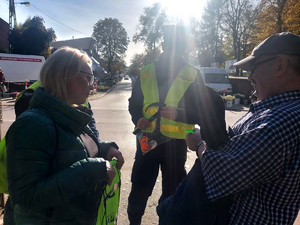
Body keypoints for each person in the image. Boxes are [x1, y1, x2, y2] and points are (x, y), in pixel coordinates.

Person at [185, 32, 300, 224]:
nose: (250, 77)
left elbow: (221, 172)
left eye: (253, 68)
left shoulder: (282, 120)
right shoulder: (273, 110)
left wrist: (198, 144)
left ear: (280, 65)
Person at [5, 46, 124, 224]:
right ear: (64, 75)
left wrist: (105, 149)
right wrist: (91, 170)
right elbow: (25, 197)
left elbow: (73, 152)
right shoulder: (32, 124)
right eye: (88, 77)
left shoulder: (73, 113)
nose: (92, 85)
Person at [127, 25, 229, 225]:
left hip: (176, 144)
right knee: (139, 187)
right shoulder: (146, 71)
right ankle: (134, 221)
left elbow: (203, 110)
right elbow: (134, 102)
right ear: (164, 45)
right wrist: (137, 117)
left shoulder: (193, 73)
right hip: (147, 140)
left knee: (173, 192)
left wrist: (180, 114)